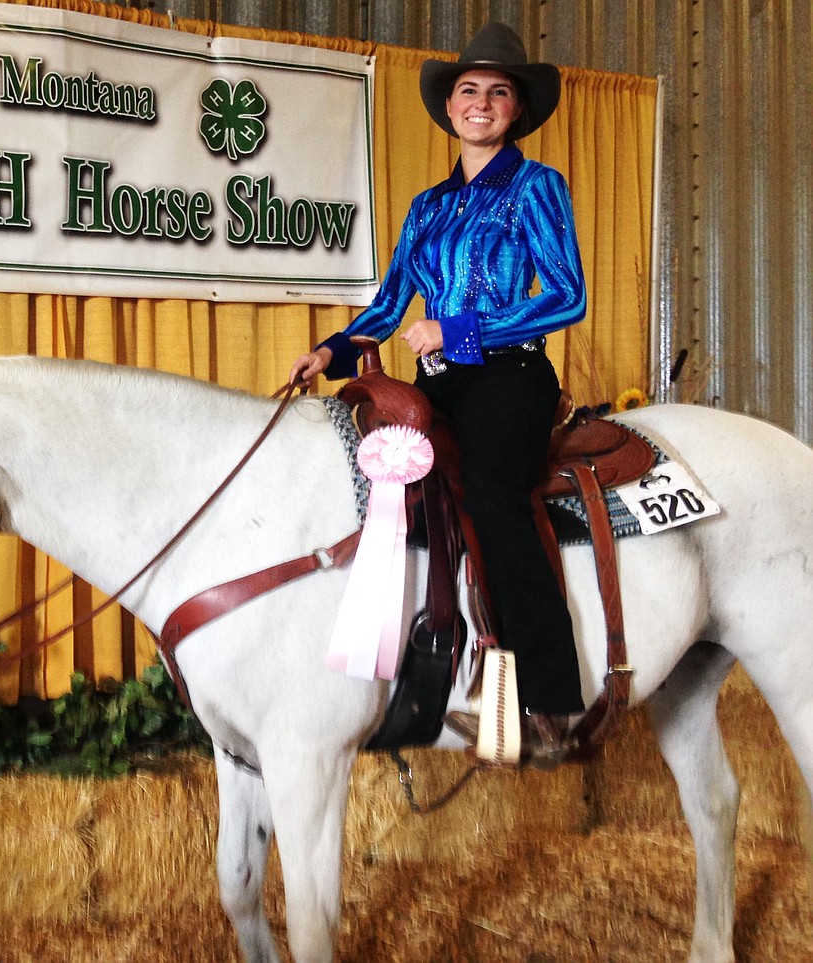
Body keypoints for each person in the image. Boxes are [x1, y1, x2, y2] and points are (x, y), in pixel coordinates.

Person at [289, 22, 586, 766]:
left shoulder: (537, 186)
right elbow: (390, 305)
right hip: (439, 383)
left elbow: (568, 296)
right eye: (468, 91)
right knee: (376, 495)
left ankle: (549, 697)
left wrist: (456, 329)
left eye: (497, 92)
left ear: (516, 110)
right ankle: (412, 679)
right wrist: (330, 350)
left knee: (490, 494)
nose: (481, 103)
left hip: (510, 376)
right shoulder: (427, 207)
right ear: (449, 108)